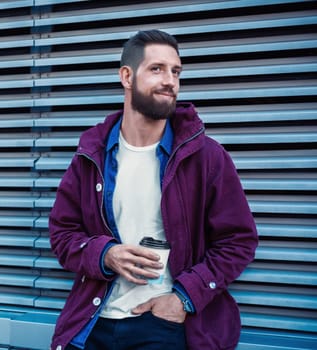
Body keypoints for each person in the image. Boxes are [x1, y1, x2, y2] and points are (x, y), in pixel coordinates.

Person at [49, 29, 258, 350]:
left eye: (176, 71)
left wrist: (183, 298)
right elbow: (62, 234)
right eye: (157, 69)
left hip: (166, 326)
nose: (170, 81)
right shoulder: (91, 154)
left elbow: (238, 241)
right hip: (94, 324)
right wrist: (106, 254)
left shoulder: (206, 156)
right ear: (127, 76)